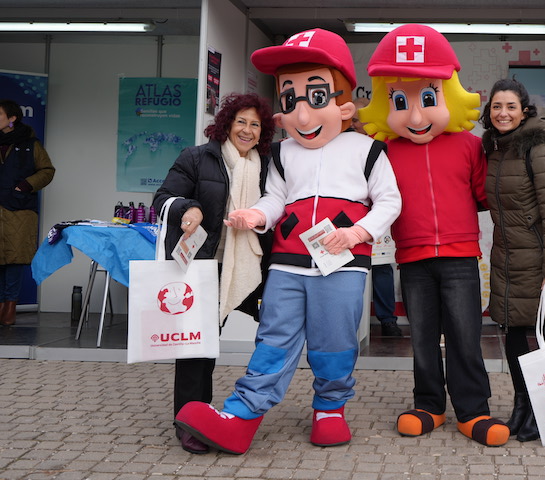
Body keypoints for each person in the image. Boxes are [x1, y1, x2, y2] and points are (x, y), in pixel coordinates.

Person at [175, 28, 401, 454]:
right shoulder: (282, 153)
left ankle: (330, 408)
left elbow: (390, 201)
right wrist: (256, 216)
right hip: (286, 264)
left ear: (342, 102)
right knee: (273, 338)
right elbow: (275, 197)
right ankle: (241, 416)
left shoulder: (367, 150)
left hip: (342, 263)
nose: (301, 115)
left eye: (315, 98)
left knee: (335, 339)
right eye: (289, 99)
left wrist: (356, 233)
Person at [360, 24, 509, 447]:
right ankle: (429, 404)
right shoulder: (386, 151)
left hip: (461, 255)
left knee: (465, 334)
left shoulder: (468, 145)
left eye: (428, 99)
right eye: (402, 101)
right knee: (422, 335)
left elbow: (485, 195)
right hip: (412, 256)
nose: (417, 115)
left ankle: (473, 408)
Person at [152, 92, 276, 454]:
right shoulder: (196, 156)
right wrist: (188, 210)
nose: (247, 130)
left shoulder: (267, 164)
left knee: (274, 337)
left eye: (255, 125)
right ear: (226, 123)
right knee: (198, 348)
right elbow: (162, 198)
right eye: (241, 122)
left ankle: (245, 410)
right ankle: (190, 419)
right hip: (203, 266)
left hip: (250, 264)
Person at [479, 78, 545, 442]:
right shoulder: (494, 149)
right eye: (496, 106)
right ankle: (523, 405)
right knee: (514, 335)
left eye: (510, 106)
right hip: (509, 260)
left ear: (524, 110)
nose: (502, 113)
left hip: (541, 262)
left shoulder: (538, 148)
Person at [0, 99, 56, 326]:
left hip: (19, 210)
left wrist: (25, 185)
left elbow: (47, 170)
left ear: (12, 118)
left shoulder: (30, 143)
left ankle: (9, 307)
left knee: (14, 259)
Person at [352, 96, 401, 337]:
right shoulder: (340, 143)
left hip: (380, 216)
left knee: (382, 269)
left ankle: (387, 320)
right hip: (349, 218)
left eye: (359, 119)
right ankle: (352, 323)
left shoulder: (384, 142)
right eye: (351, 120)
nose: (354, 124)